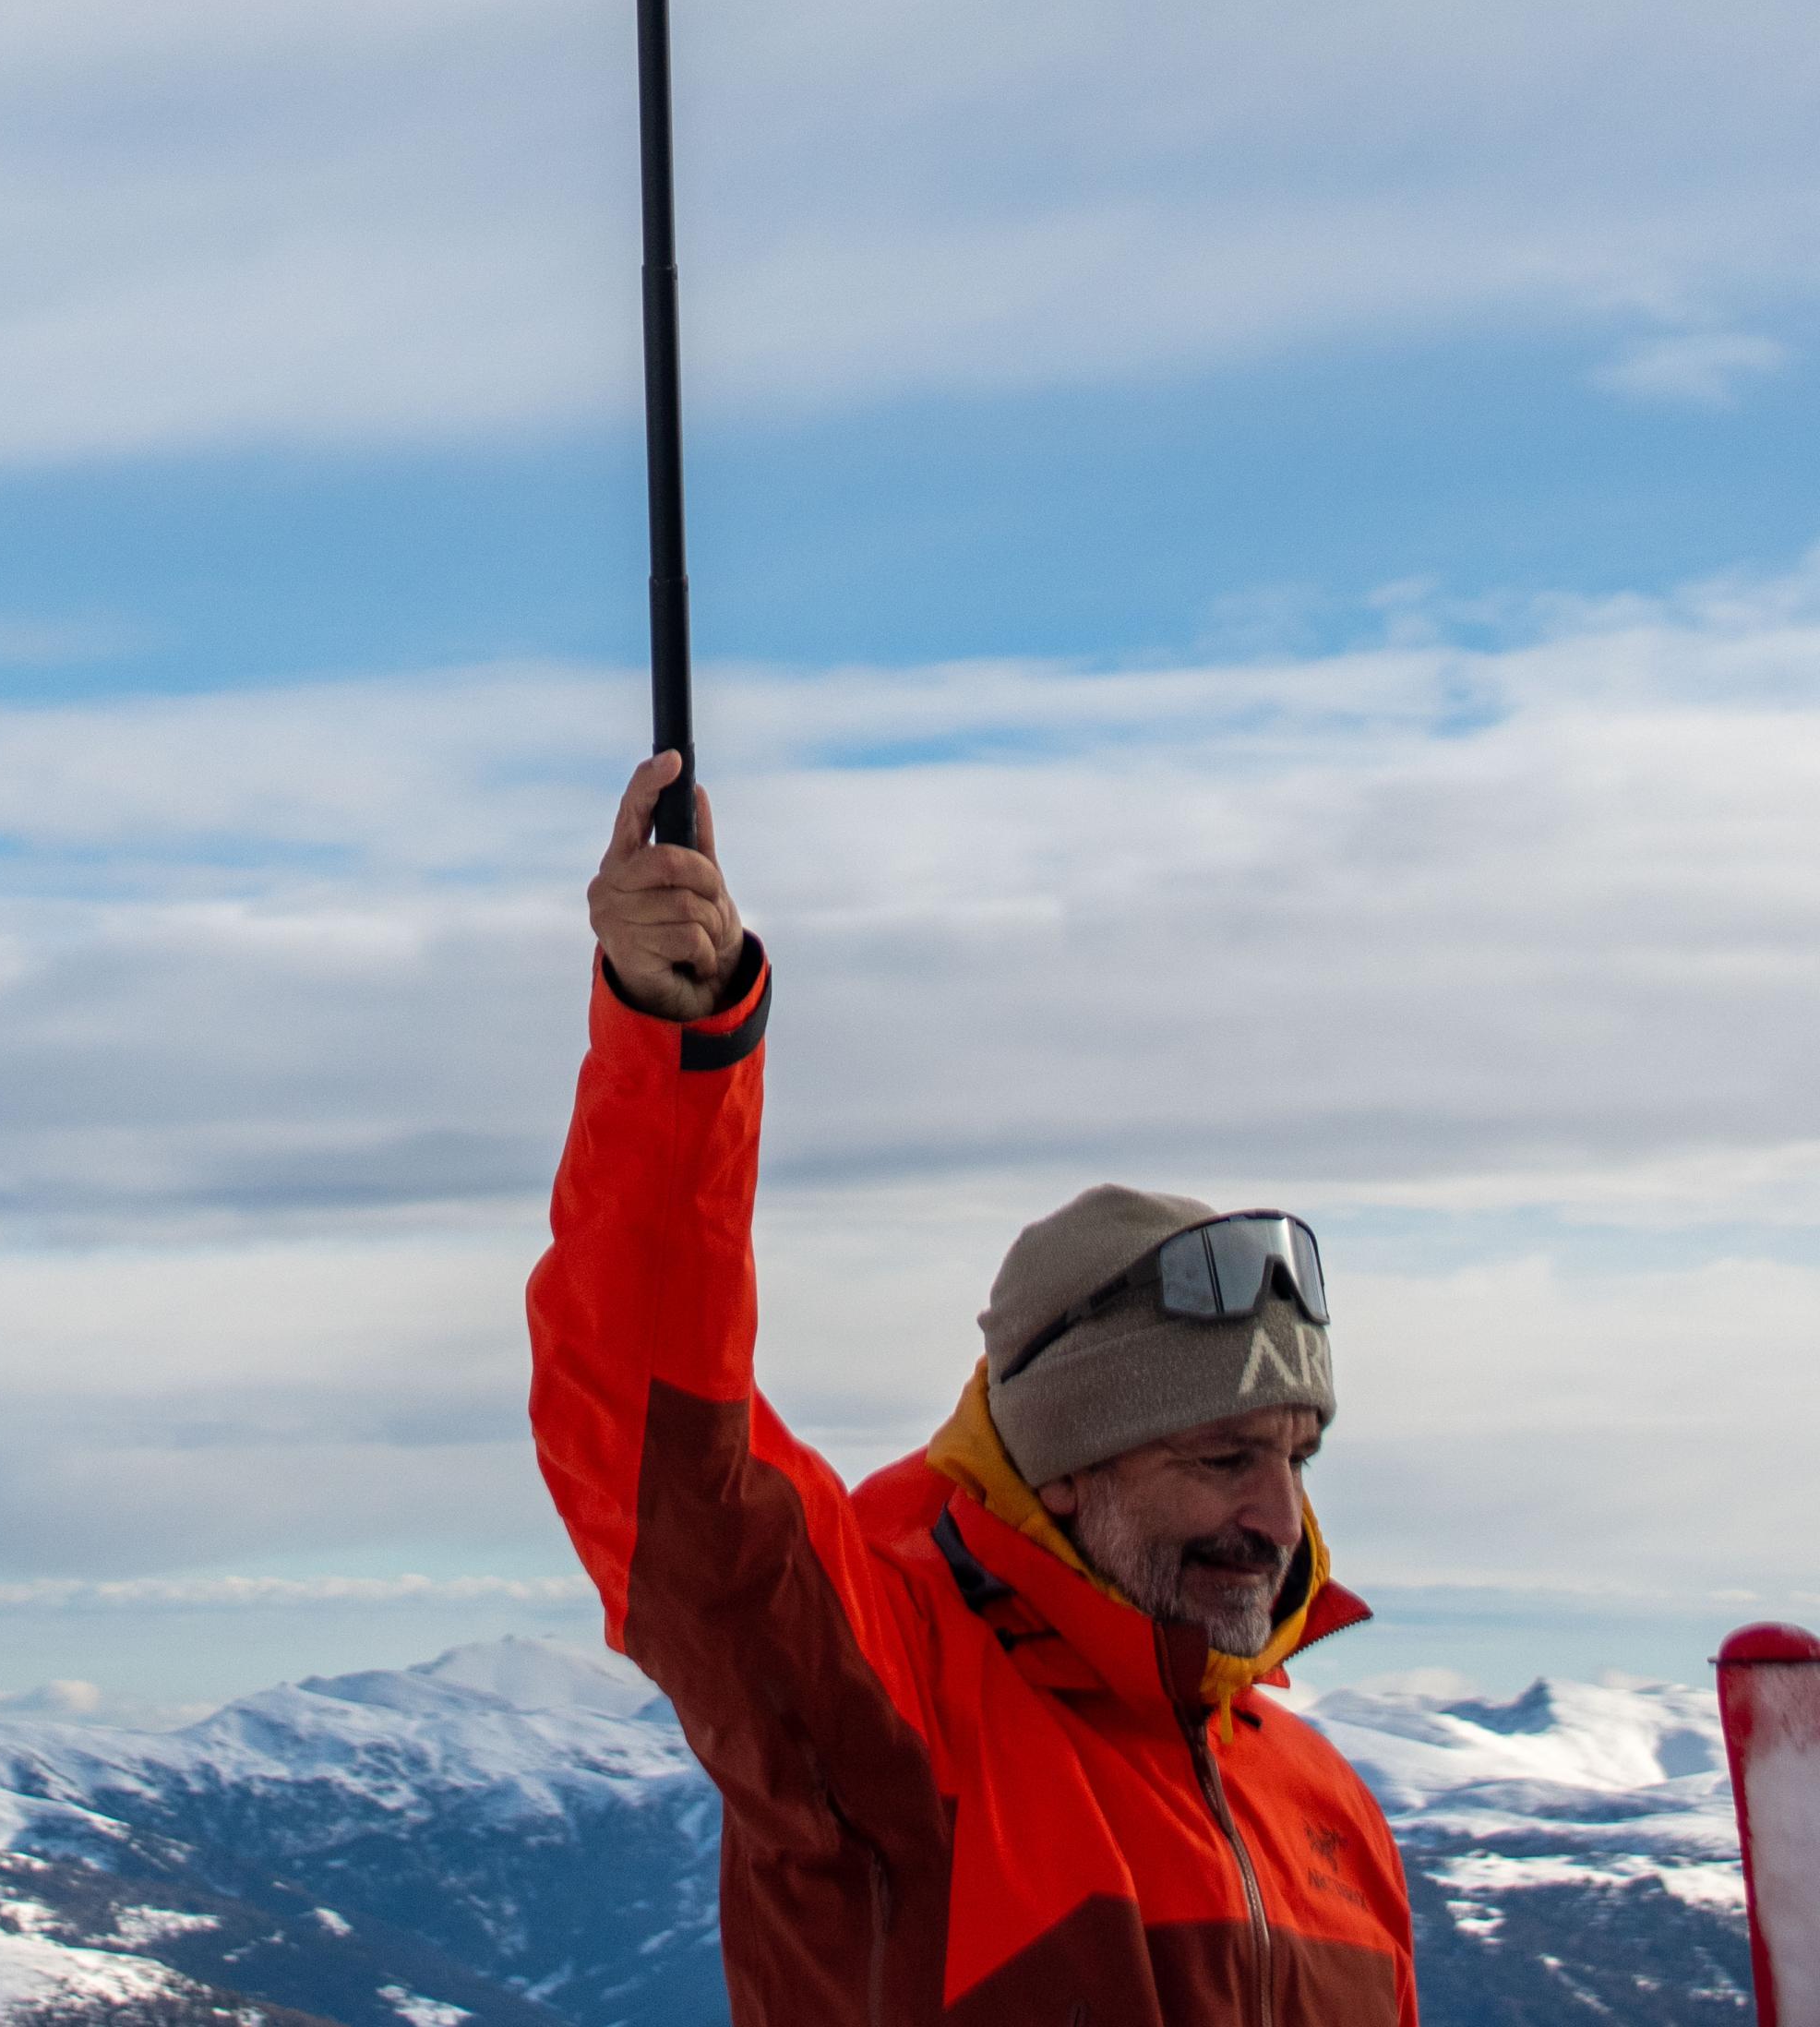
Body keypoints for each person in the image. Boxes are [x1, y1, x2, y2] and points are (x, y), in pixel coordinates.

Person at [528, 753, 1419, 2026]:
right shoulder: (891, 1720)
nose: (1280, 1520)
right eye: (1224, 1458)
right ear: (1063, 1469)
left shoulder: (1327, 1812)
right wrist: (679, 1040)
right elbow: (654, 1439)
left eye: (1295, 1458)